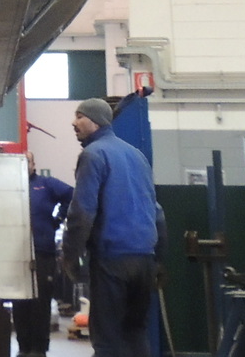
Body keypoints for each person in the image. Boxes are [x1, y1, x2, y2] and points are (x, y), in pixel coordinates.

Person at [61, 98, 166, 357]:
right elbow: (157, 212)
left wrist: (70, 258)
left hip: (112, 261)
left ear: (96, 122)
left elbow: (81, 213)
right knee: (135, 332)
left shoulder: (93, 155)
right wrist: (160, 261)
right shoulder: (137, 156)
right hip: (143, 260)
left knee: (107, 339)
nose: (74, 123)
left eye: (80, 117)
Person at [15, 152, 73, 357]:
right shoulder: (11, 186)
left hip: (42, 252)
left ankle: (38, 349)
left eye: (27, 161)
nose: (24, 165)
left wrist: (57, 220)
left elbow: (71, 195)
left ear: (34, 164)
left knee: (41, 302)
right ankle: (23, 347)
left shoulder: (46, 185)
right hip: (16, 253)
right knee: (19, 302)